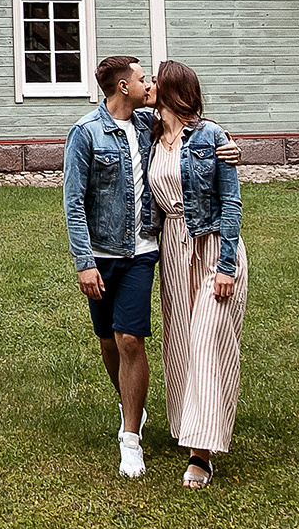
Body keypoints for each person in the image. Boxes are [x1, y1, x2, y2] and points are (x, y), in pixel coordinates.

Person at [63, 55, 243, 479]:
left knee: (135, 342)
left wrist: (233, 147)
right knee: (114, 342)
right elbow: (73, 202)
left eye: (153, 80)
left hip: (149, 252)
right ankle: (137, 409)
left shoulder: (157, 127)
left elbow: (204, 143)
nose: (149, 86)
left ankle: (138, 441)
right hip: (118, 255)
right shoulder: (90, 133)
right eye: (144, 80)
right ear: (124, 88)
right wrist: (84, 261)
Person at [145, 59, 247, 488]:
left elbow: (231, 204)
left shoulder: (211, 137)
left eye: (154, 80)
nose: (147, 85)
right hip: (172, 245)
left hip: (211, 245)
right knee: (182, 343)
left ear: (172, 90)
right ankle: (191, 427)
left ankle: (201, 456)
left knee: (208, 340)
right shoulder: (148, 136)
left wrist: (226, 266)